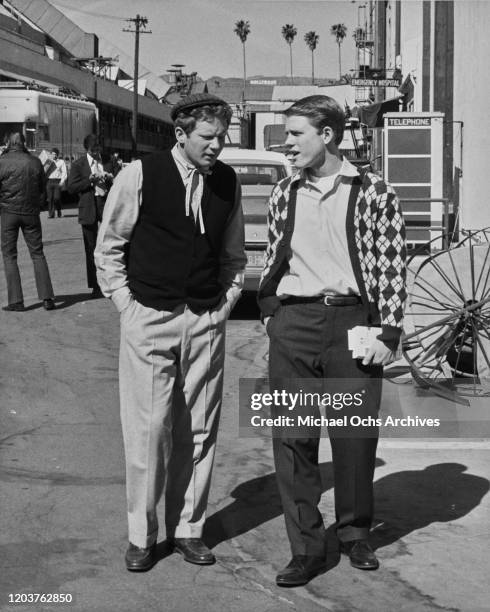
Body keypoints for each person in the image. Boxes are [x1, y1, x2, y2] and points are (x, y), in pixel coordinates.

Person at [257, 95, 407, 587]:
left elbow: (390, 263)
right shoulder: (284, 192)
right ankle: (306, 547)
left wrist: (389, 328)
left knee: (354, 436)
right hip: (293, 323)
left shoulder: (375, 192)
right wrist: (270, 309)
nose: (288, 142)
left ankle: (355, 533)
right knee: (293, 439)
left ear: (328, 135)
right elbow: (275, 251)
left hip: (352, 324)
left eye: (297, 133)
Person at [94, 93, 246, 572]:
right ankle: (143, 534)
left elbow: (234, 254)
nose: (217, 146)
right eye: (207, 137)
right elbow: (110, 246)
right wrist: (126, 305)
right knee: (148, 430)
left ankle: (190, 529)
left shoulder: (226, 182)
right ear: (180, 134)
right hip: (149, 318)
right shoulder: (139, 175)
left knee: (199, 429)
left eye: (222, 136)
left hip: (204, 320)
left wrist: (225, 303)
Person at [0, 132, 55, 311]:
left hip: (9, 212)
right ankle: (47, 298)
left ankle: (16, 301)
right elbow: (42, 189)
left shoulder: (2, 161)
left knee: (9, 255)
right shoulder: (35, 161)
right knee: (37, 253)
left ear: (9, 142)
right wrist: (37, 206)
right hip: (31, 214)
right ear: (24, 143)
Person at [67, 135, 112, 298]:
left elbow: (121, 179)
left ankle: (114, 281)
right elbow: (71, 187)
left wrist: (110, 178)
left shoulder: (108, 160)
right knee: (91, 248)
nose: (96, 153)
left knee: (112, 245)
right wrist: (89, 181)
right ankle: (96, 285)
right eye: (93, 151)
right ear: (87, 149)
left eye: (98, 150)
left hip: (106, 205)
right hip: (88, 208)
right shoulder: (78, 164)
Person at [45, 147, 67, 218]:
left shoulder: (61, 162)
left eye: (55, 154)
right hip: (49, 181)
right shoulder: (48, 162)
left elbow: (64, 172)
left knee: (56, 198)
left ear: (57, 155)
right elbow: (43, 171)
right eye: (52, 154)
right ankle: (51, 214)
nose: (53, 155)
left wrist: (62, 181)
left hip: (57, 181)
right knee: (50, 199)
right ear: (50, 154)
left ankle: (59, 209)